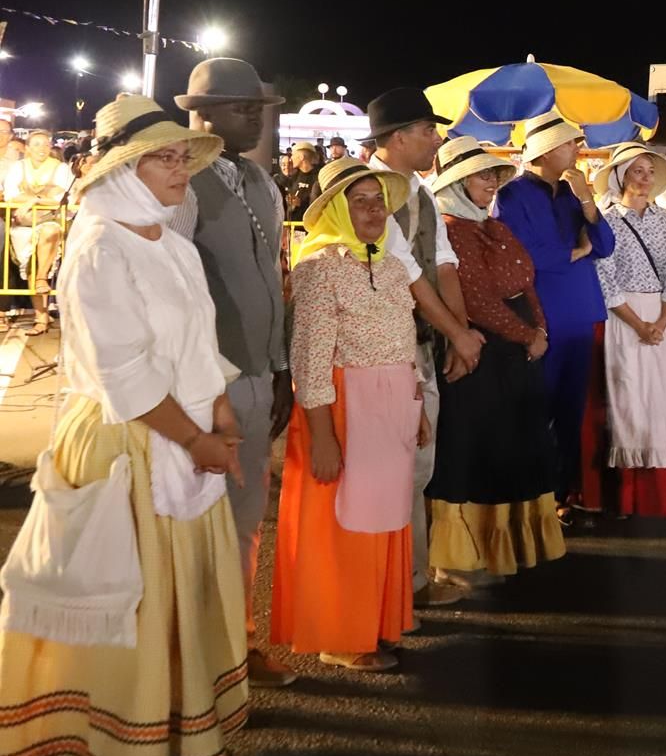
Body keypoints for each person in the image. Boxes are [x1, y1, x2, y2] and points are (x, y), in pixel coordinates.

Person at [0, 97, 249, 756]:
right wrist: (200, 436)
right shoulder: (98, 247)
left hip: (183, 434)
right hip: (127, 444)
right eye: (164, 157)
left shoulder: (168, 240)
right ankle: (123, 751)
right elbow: (127, 374)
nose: (179, 170)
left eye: (182, 157)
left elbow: (200, 342)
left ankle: (178, 733)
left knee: (176, 597)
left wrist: (220, 411)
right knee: (132, 603)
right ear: (122, 169)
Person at [169, 58, 297, 687]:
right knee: (195, 526)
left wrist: (281, 368)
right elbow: (175, 294)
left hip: (257, 375)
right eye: (243, 107)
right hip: (204, 387)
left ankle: (235, 645)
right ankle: (192, 657)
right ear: (203, 112)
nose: (256, 117)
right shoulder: (183, 184)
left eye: (258, 108)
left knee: (245, 524)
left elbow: (274, 276)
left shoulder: (259, 181)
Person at [271, 157, 425, 671]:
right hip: (343, 407)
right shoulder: (319, 269)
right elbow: (310, 356)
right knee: (345, 524)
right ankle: (340, 633)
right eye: (359, 202)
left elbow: (407, 341)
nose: (373, 210)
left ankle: (375, 624)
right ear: (337, 210)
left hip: (392, 406)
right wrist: (322, 436)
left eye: (378, 201)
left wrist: (417, 401)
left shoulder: (392, 266)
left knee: (383, 520)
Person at [423, 137, 566, 577]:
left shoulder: (494, 227)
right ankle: (466, 554)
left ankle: (507, 546)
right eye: (482, 175)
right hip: (485, 352)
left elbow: (528, 281)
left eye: (492, 175)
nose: (490, 183)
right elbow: (477, 298)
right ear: (458, 183)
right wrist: (527, 335)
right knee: (477, 447)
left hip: (517, 354)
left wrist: (539, 329)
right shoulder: (450, 230)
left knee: (513, 445)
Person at [365, 88, 485, 603]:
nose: (437, 139)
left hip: (419, 341)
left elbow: (444, 264)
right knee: (389, 468)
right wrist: (460, 334)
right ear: (397, 137)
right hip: (380, 348)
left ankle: (409, 581)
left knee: (417, 465)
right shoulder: (367, 190)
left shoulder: (420, 189)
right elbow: (409, 272)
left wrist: (459, 334)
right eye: (427, 130)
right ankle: (388, 589)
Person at [496, 109, 615, 524]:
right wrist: (574, 252)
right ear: (546, 151)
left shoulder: (569, 194)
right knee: (535, 409)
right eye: (570, 143)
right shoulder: (512, 195)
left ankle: (562, 496)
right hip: (542, 315)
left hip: (580, 313)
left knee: (569, 410)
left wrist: (586, 199)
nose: (577, 150)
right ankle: (530, 497)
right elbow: (524, 255)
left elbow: (605, 243)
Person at [592, 143, 666, 517]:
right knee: (630, 399)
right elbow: (606, 280)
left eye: (650, 172)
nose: (645, 179)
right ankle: (628, 495)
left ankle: (661, 492)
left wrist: (662, 322)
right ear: (620, 176)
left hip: (660, 318)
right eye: (637, 171)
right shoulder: (604, 221)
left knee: (664, 399)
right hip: (624, 317)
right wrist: (639, 324)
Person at [5, 129, 74, 334]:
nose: (41, 149)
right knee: (32, 259)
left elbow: (62, 198)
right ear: (27, 148)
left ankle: (42, 280)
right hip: (23, 224)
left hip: (50, 221)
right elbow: (11, 195)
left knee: (48, 237)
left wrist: (33, 200)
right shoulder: (19, 167)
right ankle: (41, 314)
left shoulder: (61, 168)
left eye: (45, 144)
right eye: (36, 144)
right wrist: (39, 199)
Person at [279, 142, 321, 222]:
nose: (291, 158)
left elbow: (320, 204)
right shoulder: (294, 176)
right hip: (292, 225)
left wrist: (301, 203)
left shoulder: (319, 177)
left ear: (301, 157)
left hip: (309, 226)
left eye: (293, 155)